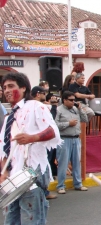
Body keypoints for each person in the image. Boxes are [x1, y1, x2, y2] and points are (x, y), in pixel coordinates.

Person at [0, 72, 61, 225]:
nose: (6, 90)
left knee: (32, 220)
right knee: (10, 221)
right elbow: (3, 148)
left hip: (32, 172)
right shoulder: (8, 118)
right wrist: (4, 171)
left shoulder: (35, 106)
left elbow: (53, 131)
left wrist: (31, 138)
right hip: (12, 178)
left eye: (11, 86)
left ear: (23, 88)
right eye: (4, 87)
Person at [55, 91, 88, 194]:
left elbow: (85, 119)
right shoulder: (58, 110)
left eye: (74, 100)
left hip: (76, 138)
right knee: (63, 163)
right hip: (64, 138)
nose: (73, 102)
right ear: (64, 100)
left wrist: (80, 109)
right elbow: (55, 125)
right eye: (71, 100)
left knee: (76, 163)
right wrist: (68, 124)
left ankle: (78, 184)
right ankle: (60, 185)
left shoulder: (75, 109)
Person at [31, 86, 58, 200]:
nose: (45, 95)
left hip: (43, 142)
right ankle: (42, 193)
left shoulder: (40, 106)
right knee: (39, 169)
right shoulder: (36, 107)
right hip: (36, 143)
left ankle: (44, 192)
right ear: (38, 94)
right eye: (43, 93)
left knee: (44, 165)